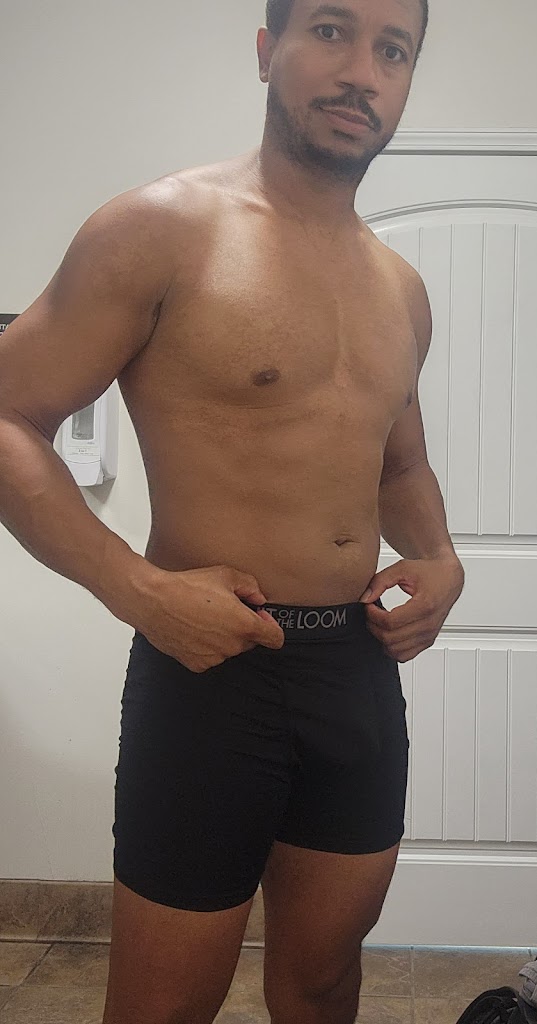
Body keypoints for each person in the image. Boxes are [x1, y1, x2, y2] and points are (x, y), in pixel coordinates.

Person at [0, 0, 465, 1021]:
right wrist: (139, 591)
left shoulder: (402, 289)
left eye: (393, 50)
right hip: (210, 676)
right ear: (267, 50)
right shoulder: (159, 231)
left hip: (354, 671)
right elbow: (8, 416)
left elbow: (401, 463)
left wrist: (441, 556)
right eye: (331, 30)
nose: (363, 71)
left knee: (324, 982)